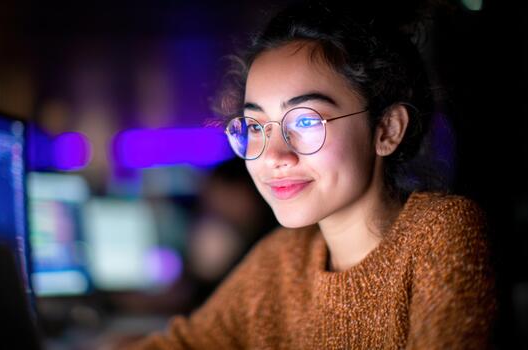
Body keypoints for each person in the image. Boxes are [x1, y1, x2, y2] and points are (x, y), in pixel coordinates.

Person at [124, 0, 497, 348]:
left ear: (386, 130)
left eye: (305, 120)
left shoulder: (439, 230)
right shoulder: (284, 258)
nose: (274, 155)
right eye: (255, 127)